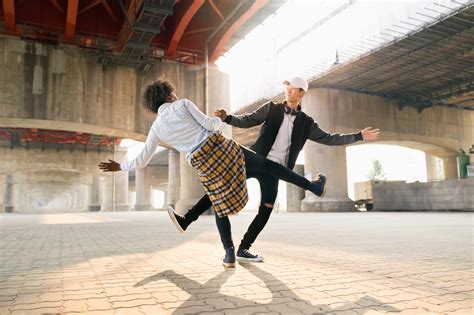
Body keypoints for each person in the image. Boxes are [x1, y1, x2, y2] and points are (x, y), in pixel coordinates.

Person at [99, 79, 328, 268]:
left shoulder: (157, 127)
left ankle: (228, 253)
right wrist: (220, 118)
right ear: (169, 95)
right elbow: (210, 125)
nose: (176, 95)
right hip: (222, 149)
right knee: (270, 167)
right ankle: (312, 186)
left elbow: (142, 159)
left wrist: (120, 166)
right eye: (174, 93)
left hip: (203, 163)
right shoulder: (183, 104)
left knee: (219, 203)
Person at [168, 76, 380, 263]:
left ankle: (243, 248)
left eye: (293, 87)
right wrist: (228, 118)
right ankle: (191, 221)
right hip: (255, 161)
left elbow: (331, 138)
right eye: (287, 85)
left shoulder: (307, 123)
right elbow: (248, 120)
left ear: (302, 93)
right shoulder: (271, 108)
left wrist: (359, 136)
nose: (288, 89)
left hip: (277, 172)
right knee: (217, 192)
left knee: (266, 210)